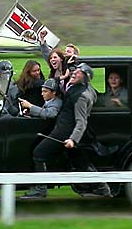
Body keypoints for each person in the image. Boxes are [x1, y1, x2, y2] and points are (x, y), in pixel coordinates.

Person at [22, 63, 111, 199]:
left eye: (79, 72)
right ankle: (102, 188)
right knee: (80, 160)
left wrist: (72, 139)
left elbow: (81, 121)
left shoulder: (82, 96)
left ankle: (41, 190)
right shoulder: (83, 89)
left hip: (65, 132)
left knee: (39, 153)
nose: (74, 73)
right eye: (75, 71)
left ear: (85, 77)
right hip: (68, 131)